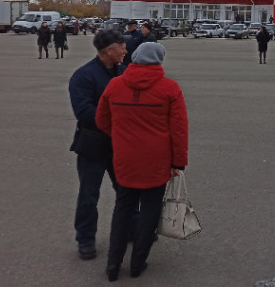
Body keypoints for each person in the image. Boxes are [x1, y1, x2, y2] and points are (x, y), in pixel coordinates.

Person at [96, 42, 189, 281]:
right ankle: (138, 262)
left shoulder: (115, 85)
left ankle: (113, 265)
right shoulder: (169, 88)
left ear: (135, 58)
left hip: (125, 157)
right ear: (159, 61)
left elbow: (102, 120)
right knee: (150, 209)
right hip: (156, 160)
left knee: (123, 208)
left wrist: (120, 136)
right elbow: (178, 130)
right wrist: (178, 162)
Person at [68, 30, 127, 261]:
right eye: (122, 46)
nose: (125, 50)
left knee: (125, 191)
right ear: (109, 50)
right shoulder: (83, 76)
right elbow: (83, 111)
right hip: (92, 143)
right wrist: (116, 120)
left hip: (119, 143)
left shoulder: (124, 72)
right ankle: (85, 239)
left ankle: (131, 227)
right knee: (88, 194)